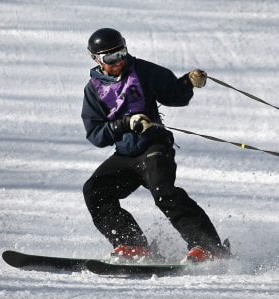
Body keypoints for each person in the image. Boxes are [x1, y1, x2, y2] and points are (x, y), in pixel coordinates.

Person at [81, 28, 229, 263]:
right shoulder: (94, 90)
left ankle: (209, 247)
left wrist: (188, 81)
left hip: (154, 147)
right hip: (126, 154)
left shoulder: (143, 71)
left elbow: (175, 95)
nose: (118, 62)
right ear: (96, 60)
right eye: (110, 59)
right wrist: (125, 124)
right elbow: (95, 134)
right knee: (95, 191)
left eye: (121, 54)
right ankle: (132, 244)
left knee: (164, 191)